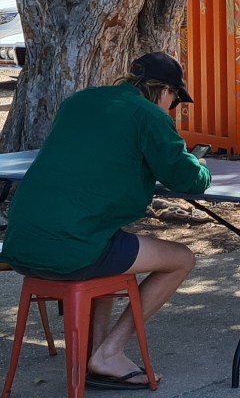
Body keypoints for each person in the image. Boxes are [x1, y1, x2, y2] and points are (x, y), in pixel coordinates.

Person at [0, 52, 211, 389]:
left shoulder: (78, 102)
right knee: (182, 259)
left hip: (20, 242)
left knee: (112, 244)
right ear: (164, 90)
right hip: (73, 248)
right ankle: (110, 352)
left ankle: (96, 353)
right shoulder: (150, 116)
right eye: (175, 100)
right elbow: (189, 179)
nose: (172, 108)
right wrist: (201, 166)